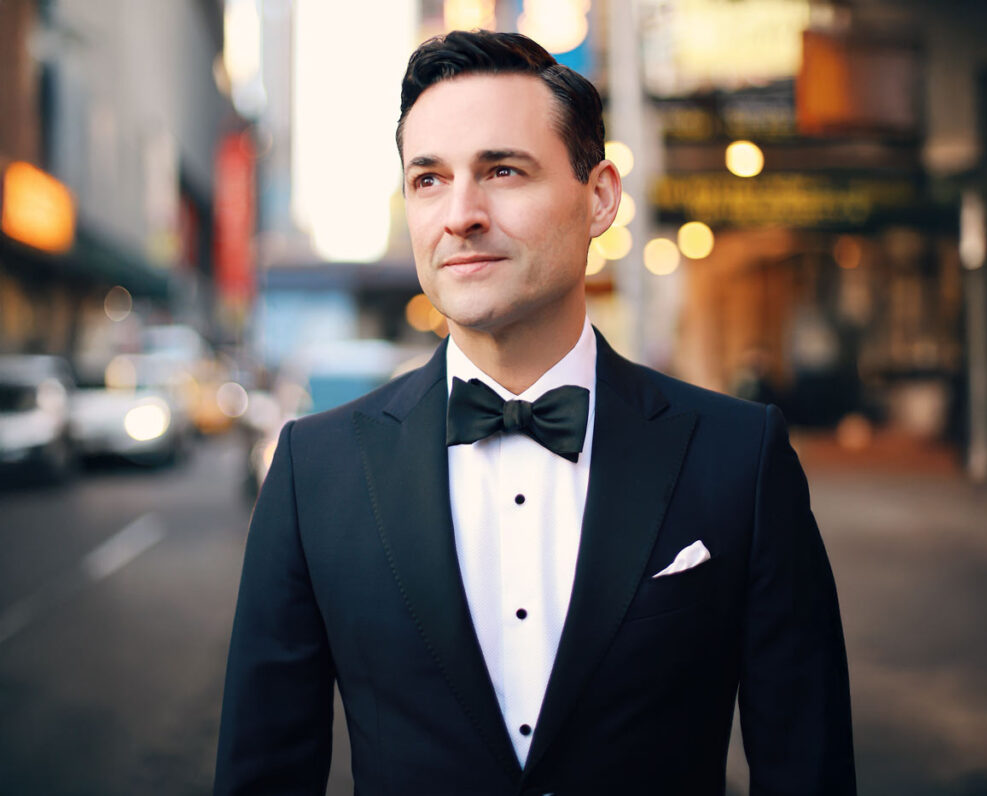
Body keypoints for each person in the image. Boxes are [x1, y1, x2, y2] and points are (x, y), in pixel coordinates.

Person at [215, 30, 856, 795]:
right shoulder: (313, 472)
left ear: (600, 197)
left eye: (503, 171)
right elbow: (264, 772)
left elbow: (807, 766)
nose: (460, 214)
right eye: (429, 179)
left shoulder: (740, 457)